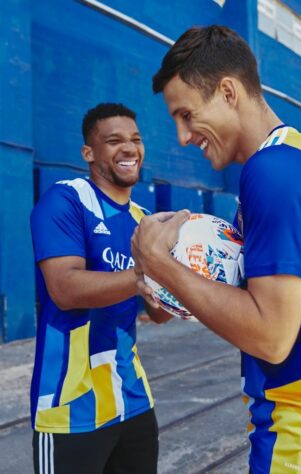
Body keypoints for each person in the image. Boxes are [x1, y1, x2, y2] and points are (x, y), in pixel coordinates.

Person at [131, 26, 301, 473]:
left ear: (228, 91)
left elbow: (271, 335)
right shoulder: (299, 156)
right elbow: (285, 309)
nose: (183, 136)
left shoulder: (274, 174)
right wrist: (178, 290)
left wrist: (160, 265)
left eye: (186, 115)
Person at [30, 102, 171, 474]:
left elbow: (159, 314)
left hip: (133, 400)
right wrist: (143, 275)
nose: (129, 148)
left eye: (136, 140)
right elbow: (64, 288)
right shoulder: (67, 199)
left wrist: (186, 271)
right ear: (89, 153)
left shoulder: (144, 221)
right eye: (114, 141)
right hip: (70, 405)